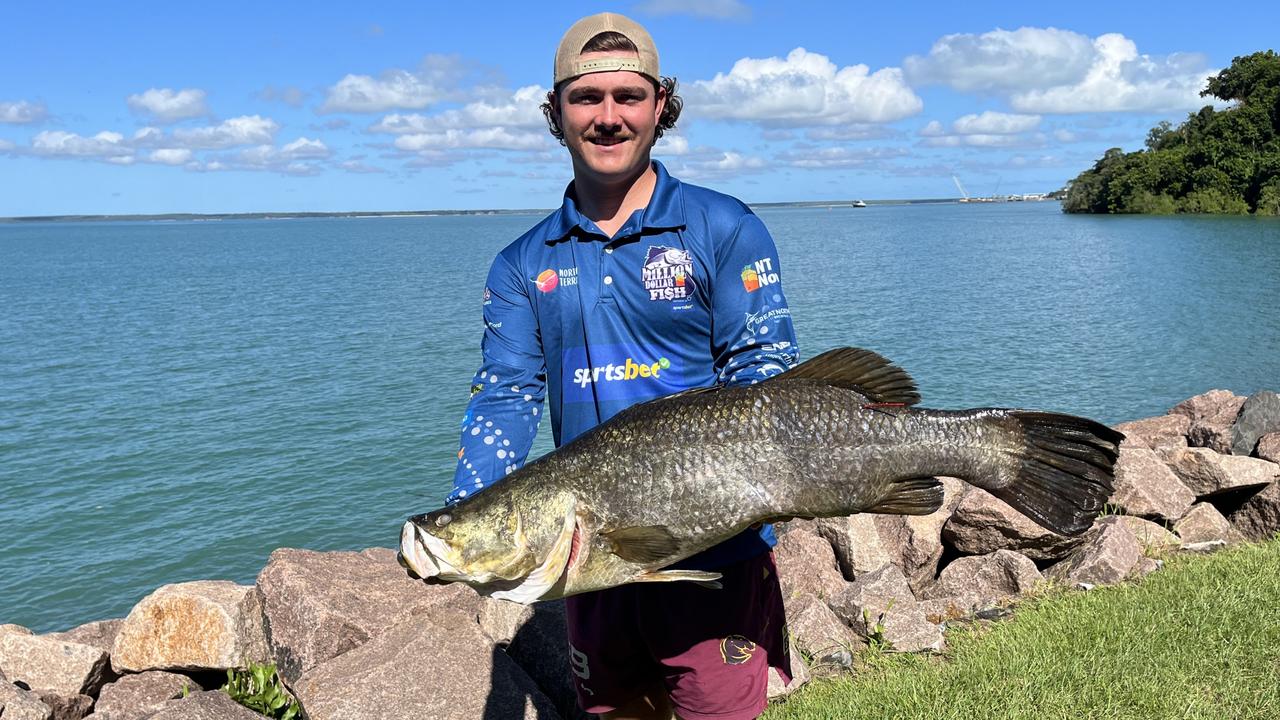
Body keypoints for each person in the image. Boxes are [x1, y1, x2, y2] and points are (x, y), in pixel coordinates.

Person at [448, 12, 800, 720]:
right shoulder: (523, 263)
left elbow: (765, 374)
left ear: (660, 106)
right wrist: (470, 521)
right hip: (590, 560)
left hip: (714, 558)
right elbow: (506, 396)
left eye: (628, 97)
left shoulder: (723, 227)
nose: (608, 118)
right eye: (586, 98)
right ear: (556, 112)